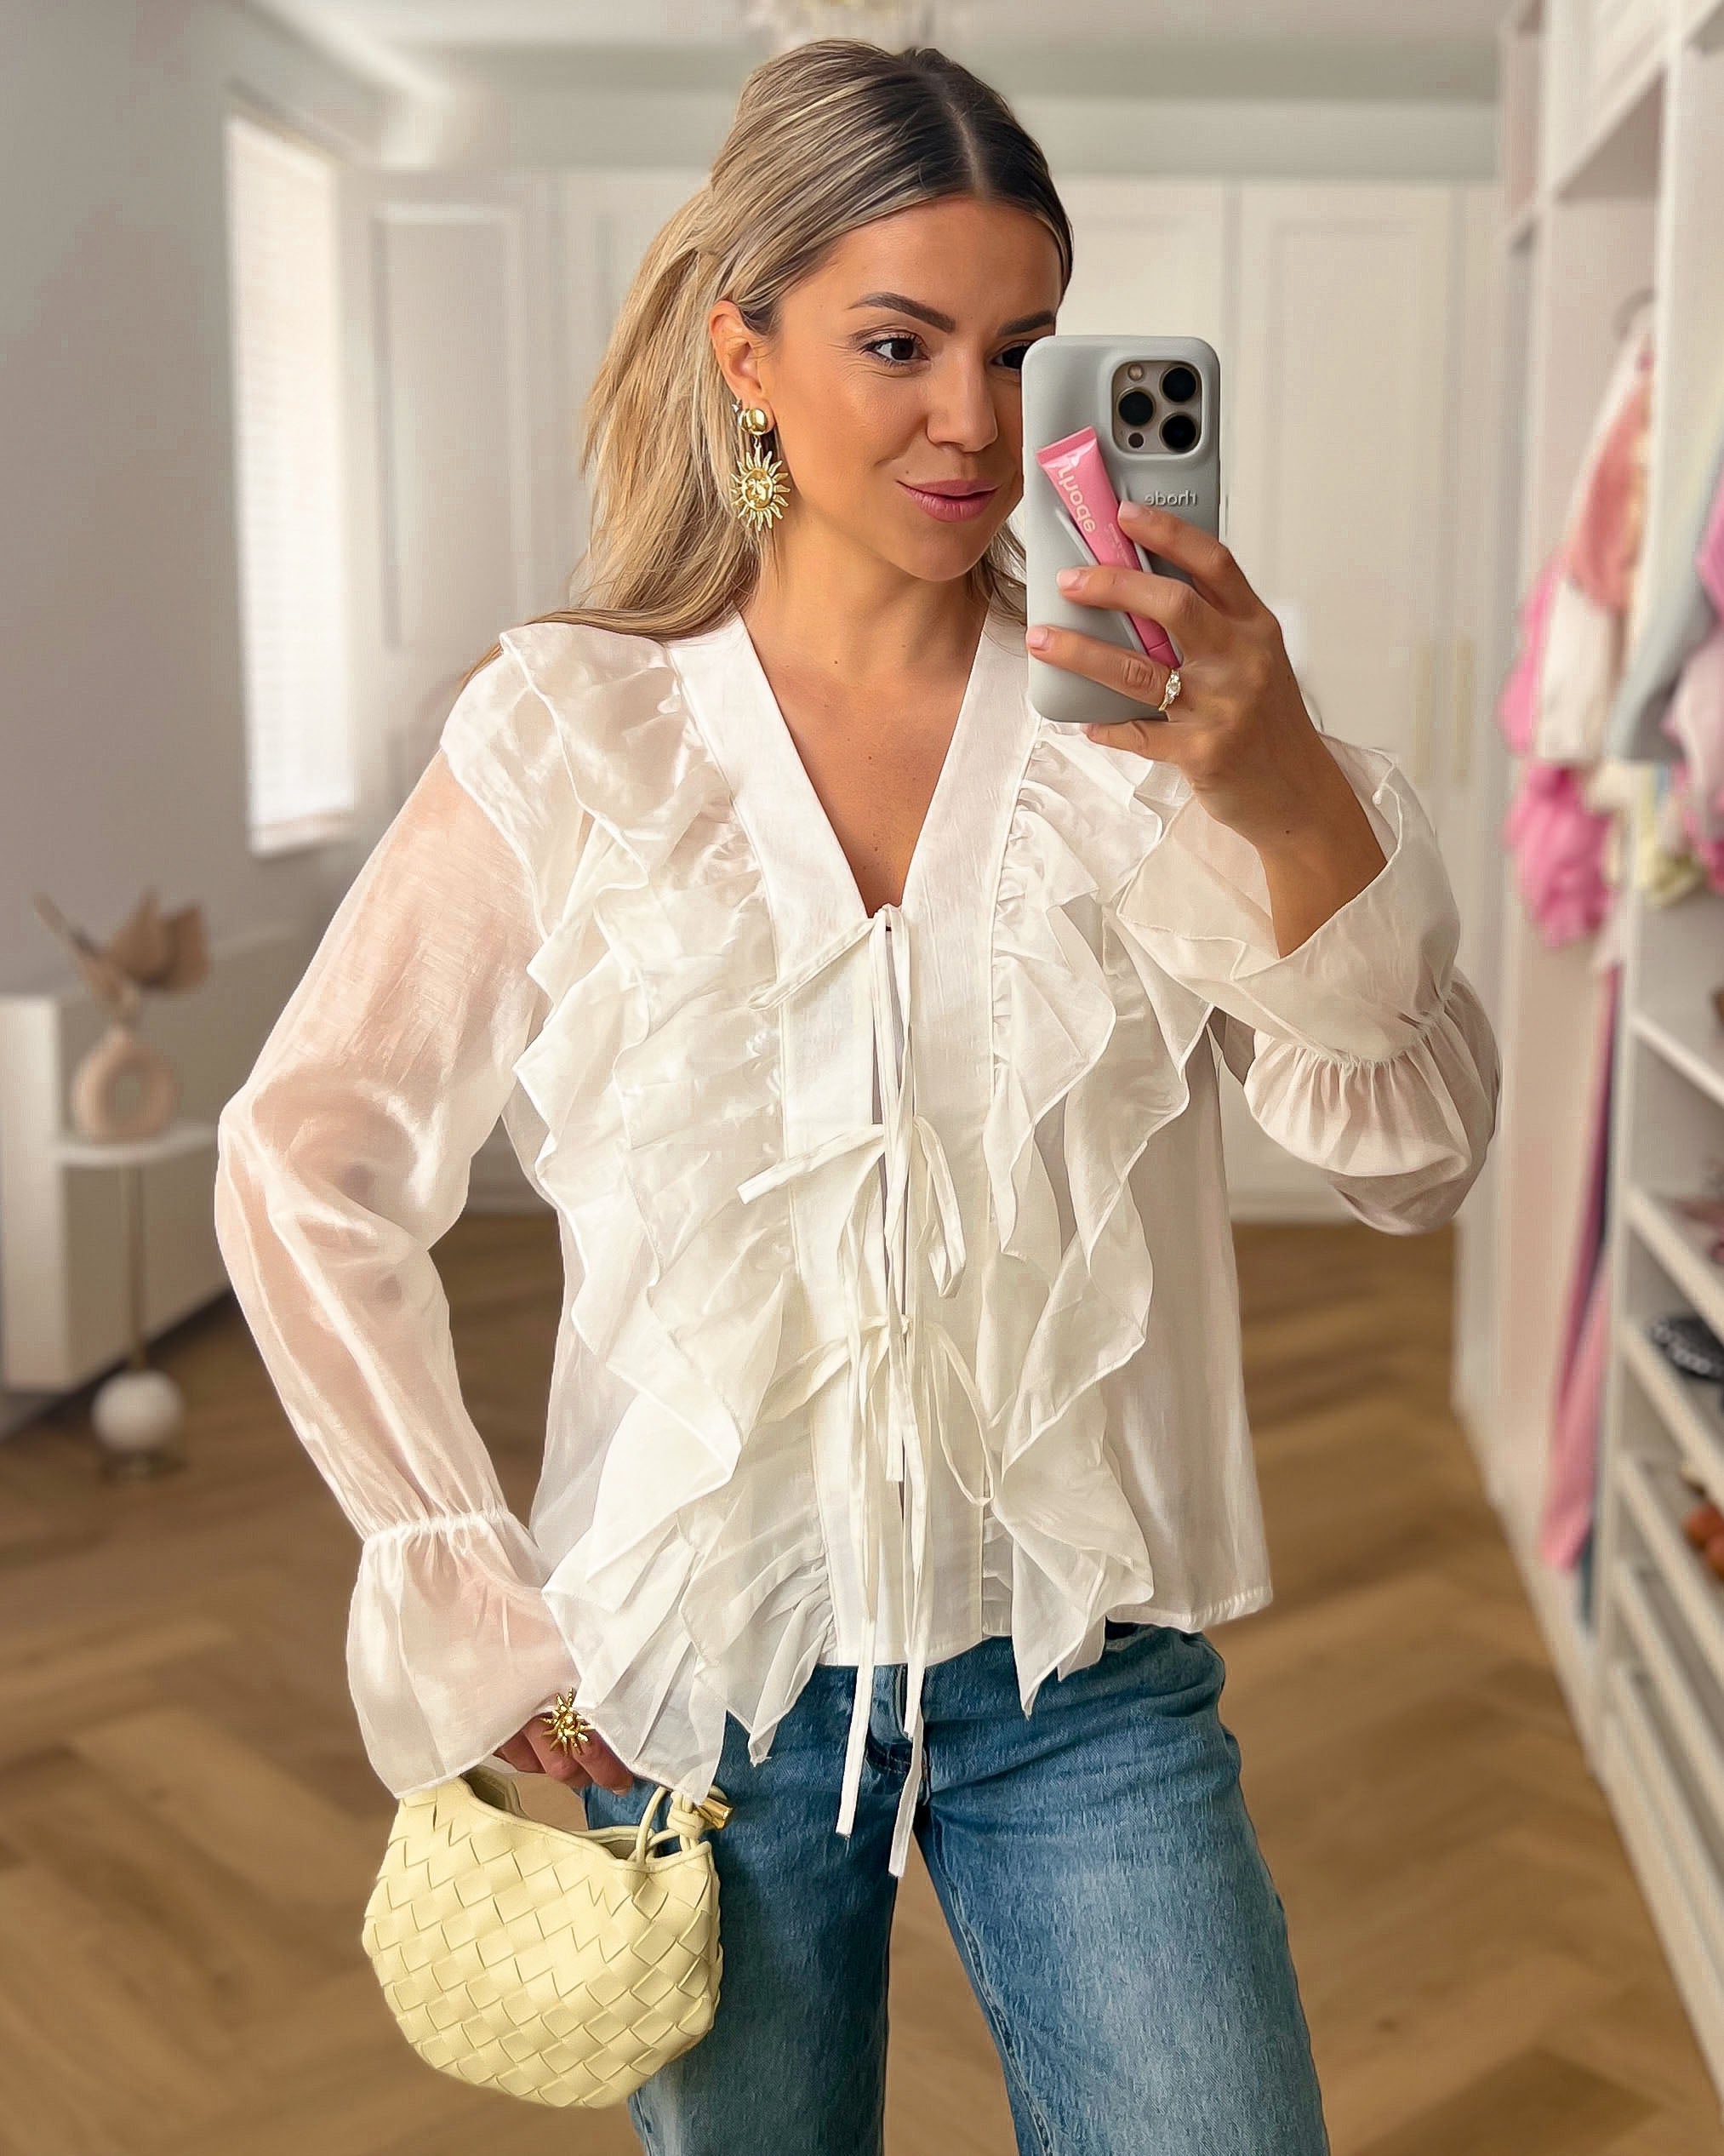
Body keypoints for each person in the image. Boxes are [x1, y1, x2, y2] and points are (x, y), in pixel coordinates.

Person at [213, 37, 1499, 2156]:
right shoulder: (580, 735)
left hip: (1076, 1679)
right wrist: (484, 1615)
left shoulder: (1145, 749)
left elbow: (1411, 1154)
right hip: (697, 1690)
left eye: (1015, 348)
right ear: (747, 355)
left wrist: (1273, 786)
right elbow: (302, 1160)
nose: (971, 420)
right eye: (896, 343)